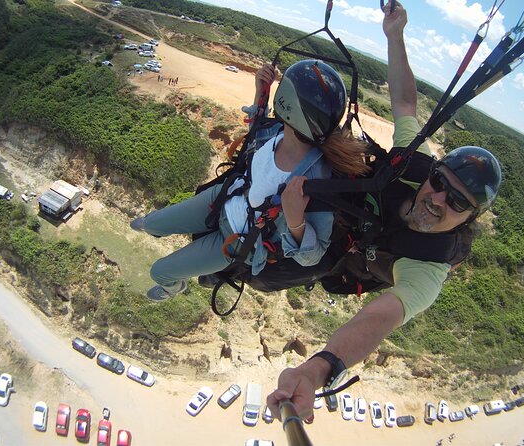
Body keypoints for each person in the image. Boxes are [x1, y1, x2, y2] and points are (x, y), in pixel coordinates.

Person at [266, 1, 502, 421]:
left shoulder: (427, 271)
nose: (439, 199)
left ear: (469, 219)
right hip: (344, 214)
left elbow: (379, 318)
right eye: (441, 183)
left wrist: (319, 368)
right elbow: (405, 106)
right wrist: (395, 34)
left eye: (458, 202)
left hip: (336, 260)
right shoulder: (417, 164)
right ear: (434, 172)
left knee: (265, 274)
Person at [131, 60, 368, 300]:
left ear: (288, 103)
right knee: (150, 223)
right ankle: (151, 227)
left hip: (236, 240)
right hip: (224, 198)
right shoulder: (278, 131)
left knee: (160, 271)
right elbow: (256, 134)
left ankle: (173, 287)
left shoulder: (316, 181)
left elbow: (312, 257)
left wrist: (295, 220)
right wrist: (259, 89)